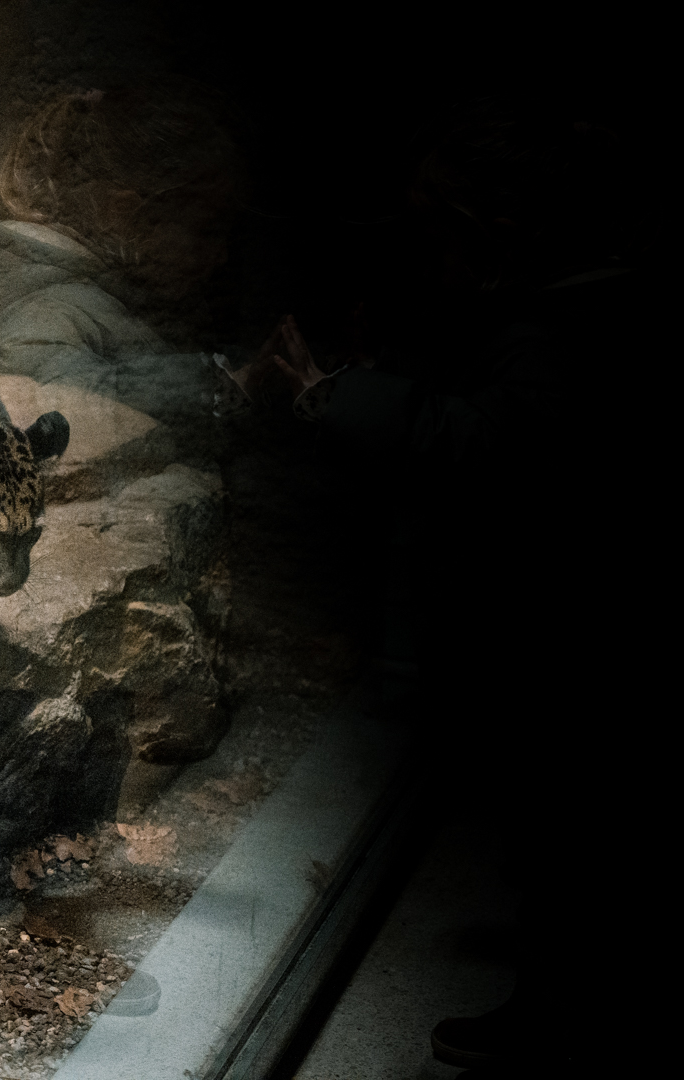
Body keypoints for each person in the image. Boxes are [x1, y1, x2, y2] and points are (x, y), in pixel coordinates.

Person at [250, 96, 652, 1077]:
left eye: (434, 233)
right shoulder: (571, 304)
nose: (424, 257)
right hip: (554, 625)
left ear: (493, 232)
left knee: (567, 826)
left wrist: (327, 395)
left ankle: (562, 1014)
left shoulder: (563, 324)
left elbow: (490, 447)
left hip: (566, 635)